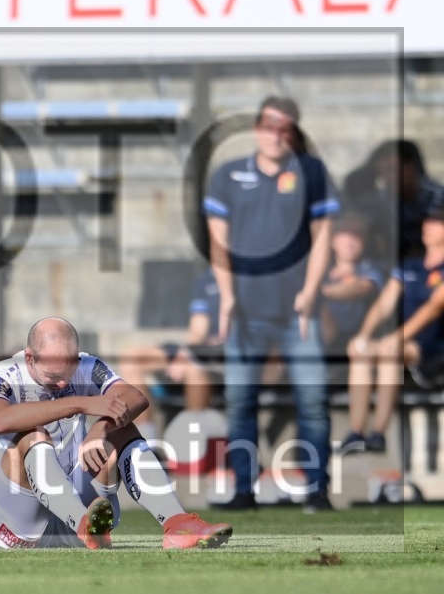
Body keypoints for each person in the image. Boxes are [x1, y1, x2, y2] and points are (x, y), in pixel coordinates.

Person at [0, 317, 233, 550]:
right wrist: (80, 403)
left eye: (68, 373)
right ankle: (85, 527)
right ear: (29, 358)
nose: (62, 384)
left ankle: (177, 525)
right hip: (8, 522)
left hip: (70, 513)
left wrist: (101, 427)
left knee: (121, 428)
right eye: (52, 377)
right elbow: (0, 420)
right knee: (33, 436)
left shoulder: (87, 365)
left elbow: (135, 397)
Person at [204, 96, 340, 513]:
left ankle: (316, 490)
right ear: (257, 128)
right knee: (240, 401)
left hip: (298, 311)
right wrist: (227, 296)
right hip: (246, 311)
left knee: (313, 400)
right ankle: (244, 490)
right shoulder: (229, 174)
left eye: (285, 128)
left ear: (293, 132)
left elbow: (323, 236)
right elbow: (218, 242)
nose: (276, 135)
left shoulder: (312, 172)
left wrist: (310, 291)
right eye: (269, 126)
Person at [339, 199, 444, 454]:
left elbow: (433, 308)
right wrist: (363, 336)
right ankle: (356, 432)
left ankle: (379, 434)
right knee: (361, 352)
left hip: (433, 349)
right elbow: (383, 305)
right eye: (428, 221)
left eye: (436, 222)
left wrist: (397, 338)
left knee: (390, 354)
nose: (427, 226)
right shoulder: (411, 265)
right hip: (402, 343)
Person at [117, 267, 219, 442]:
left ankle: (193, 437)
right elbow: (197, 331)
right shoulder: (207, 280)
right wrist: (185, 352)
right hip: (200, 347)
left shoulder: (251, 279)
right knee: (131, 359)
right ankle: (146, 438)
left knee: (194, 369)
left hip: (225, 351)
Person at [320, 213, 384, 359]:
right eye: (345, 232)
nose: (351, 239)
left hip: (352, 337)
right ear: (332, 240)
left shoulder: (370, 268)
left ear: (365, 241)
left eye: (357, 234)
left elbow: (364, 287)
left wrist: (320, 293)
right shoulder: (320, 269)